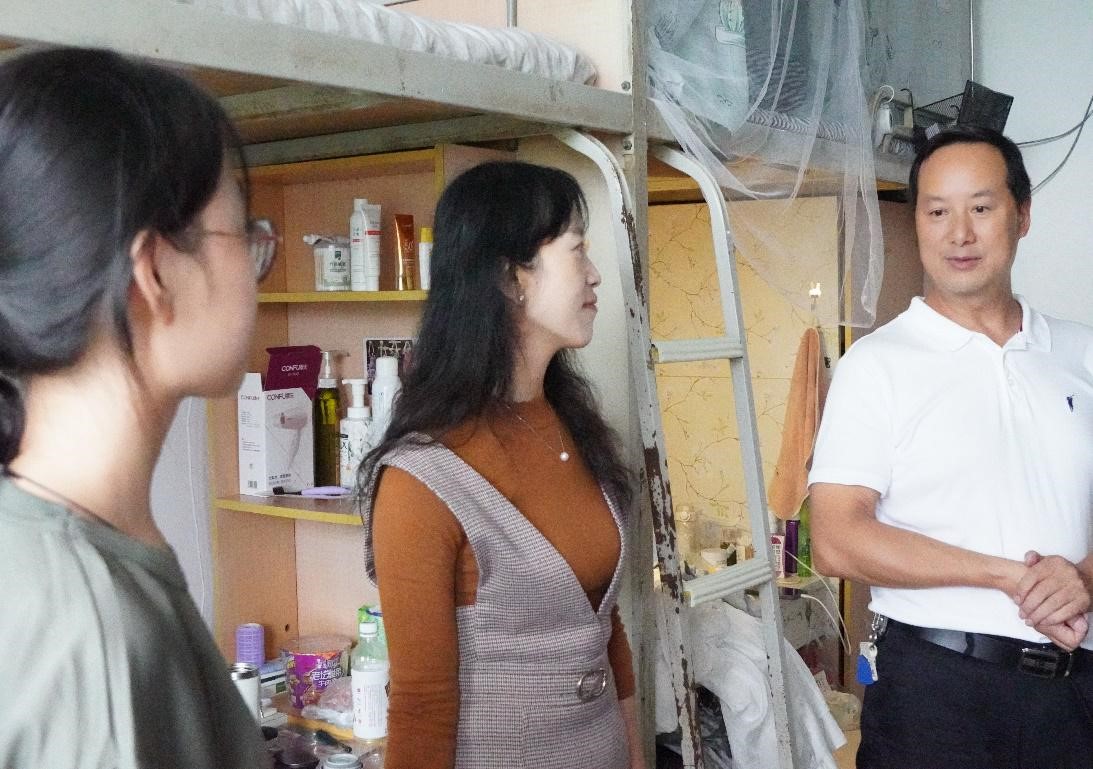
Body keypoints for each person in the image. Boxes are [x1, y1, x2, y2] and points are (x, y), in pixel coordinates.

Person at [0, 48, 273, 768]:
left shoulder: (49, 554)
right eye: (244, 232)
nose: (256, 268)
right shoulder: (88, 636)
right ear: (154, 272)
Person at [809, 125, 1093, 768]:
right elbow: (836, 538)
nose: (959, 234)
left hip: (1074, 694)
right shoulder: (876, 364)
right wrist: (1008, 576)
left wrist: (1080, 578)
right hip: (935, 693)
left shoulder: (1080, 353)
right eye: (937, 212)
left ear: (1022, 216)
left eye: (981, 208)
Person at [358, 161, 646, 769]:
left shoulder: (574, 427)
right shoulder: (420, 482)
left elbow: (604, 629)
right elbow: (421, 706)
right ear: (513, 278)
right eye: (577, 251)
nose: (595, 274)